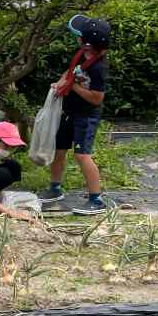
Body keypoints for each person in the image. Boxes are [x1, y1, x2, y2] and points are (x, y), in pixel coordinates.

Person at [39, 14, 112, 216]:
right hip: (68, 111)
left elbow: (97, 98)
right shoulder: (82, 54)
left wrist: (74, 87)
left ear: (88, 43)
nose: (76, 38)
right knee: (59, 150)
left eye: (79, 35)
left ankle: (96, 199)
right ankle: (55, 188)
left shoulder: (98, 68)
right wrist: (63, 82)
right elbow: (70, 71)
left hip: (85, 116)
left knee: (82, 155)